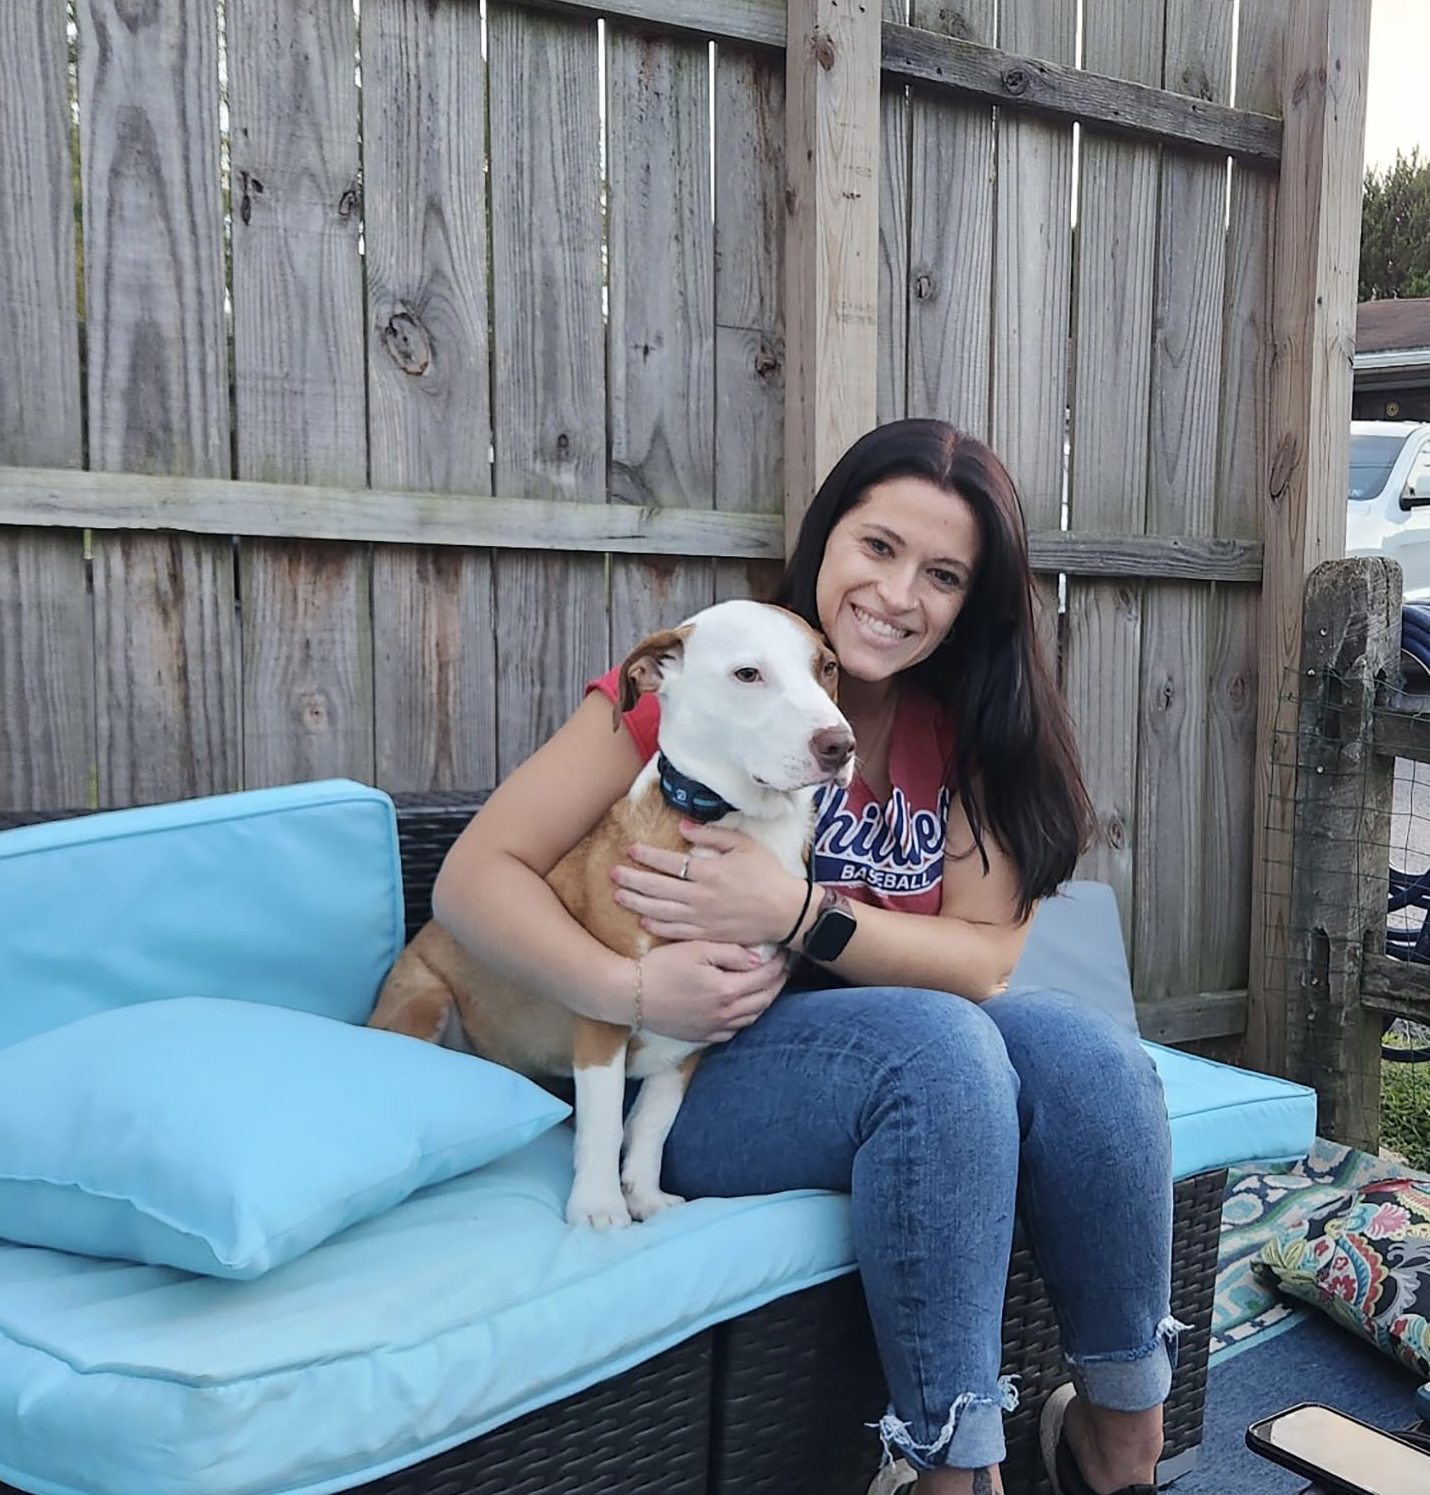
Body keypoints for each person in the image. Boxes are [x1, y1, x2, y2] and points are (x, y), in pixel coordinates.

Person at [433, 418, 1176, 1495]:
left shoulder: (967, 729)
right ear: (826, 539)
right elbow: (473, 878)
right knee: (939, 1049)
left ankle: (1120, 1452)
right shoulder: (699, 683)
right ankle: (947, 1475)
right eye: (877, 547)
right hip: (709, 1067)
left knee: (1084, 1050)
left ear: (974, 600)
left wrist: (793, 910)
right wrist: (629, 986)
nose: (898, 593)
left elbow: (984, 964)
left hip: (898, 1041)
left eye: (943, 573)